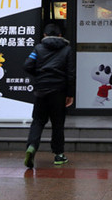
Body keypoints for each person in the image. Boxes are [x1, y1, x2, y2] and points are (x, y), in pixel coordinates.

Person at [22, 23, 75, 168]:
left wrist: (39, 76)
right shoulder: (67, 49)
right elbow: (71, 74)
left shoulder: (38, 48)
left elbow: (27, 65)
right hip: (59, 91)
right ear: (60, 36)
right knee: (58, 124)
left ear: (44, 35)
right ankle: (59, 155)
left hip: (41, 90)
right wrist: (70, 94)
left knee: (38, 121)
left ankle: (32, 146)